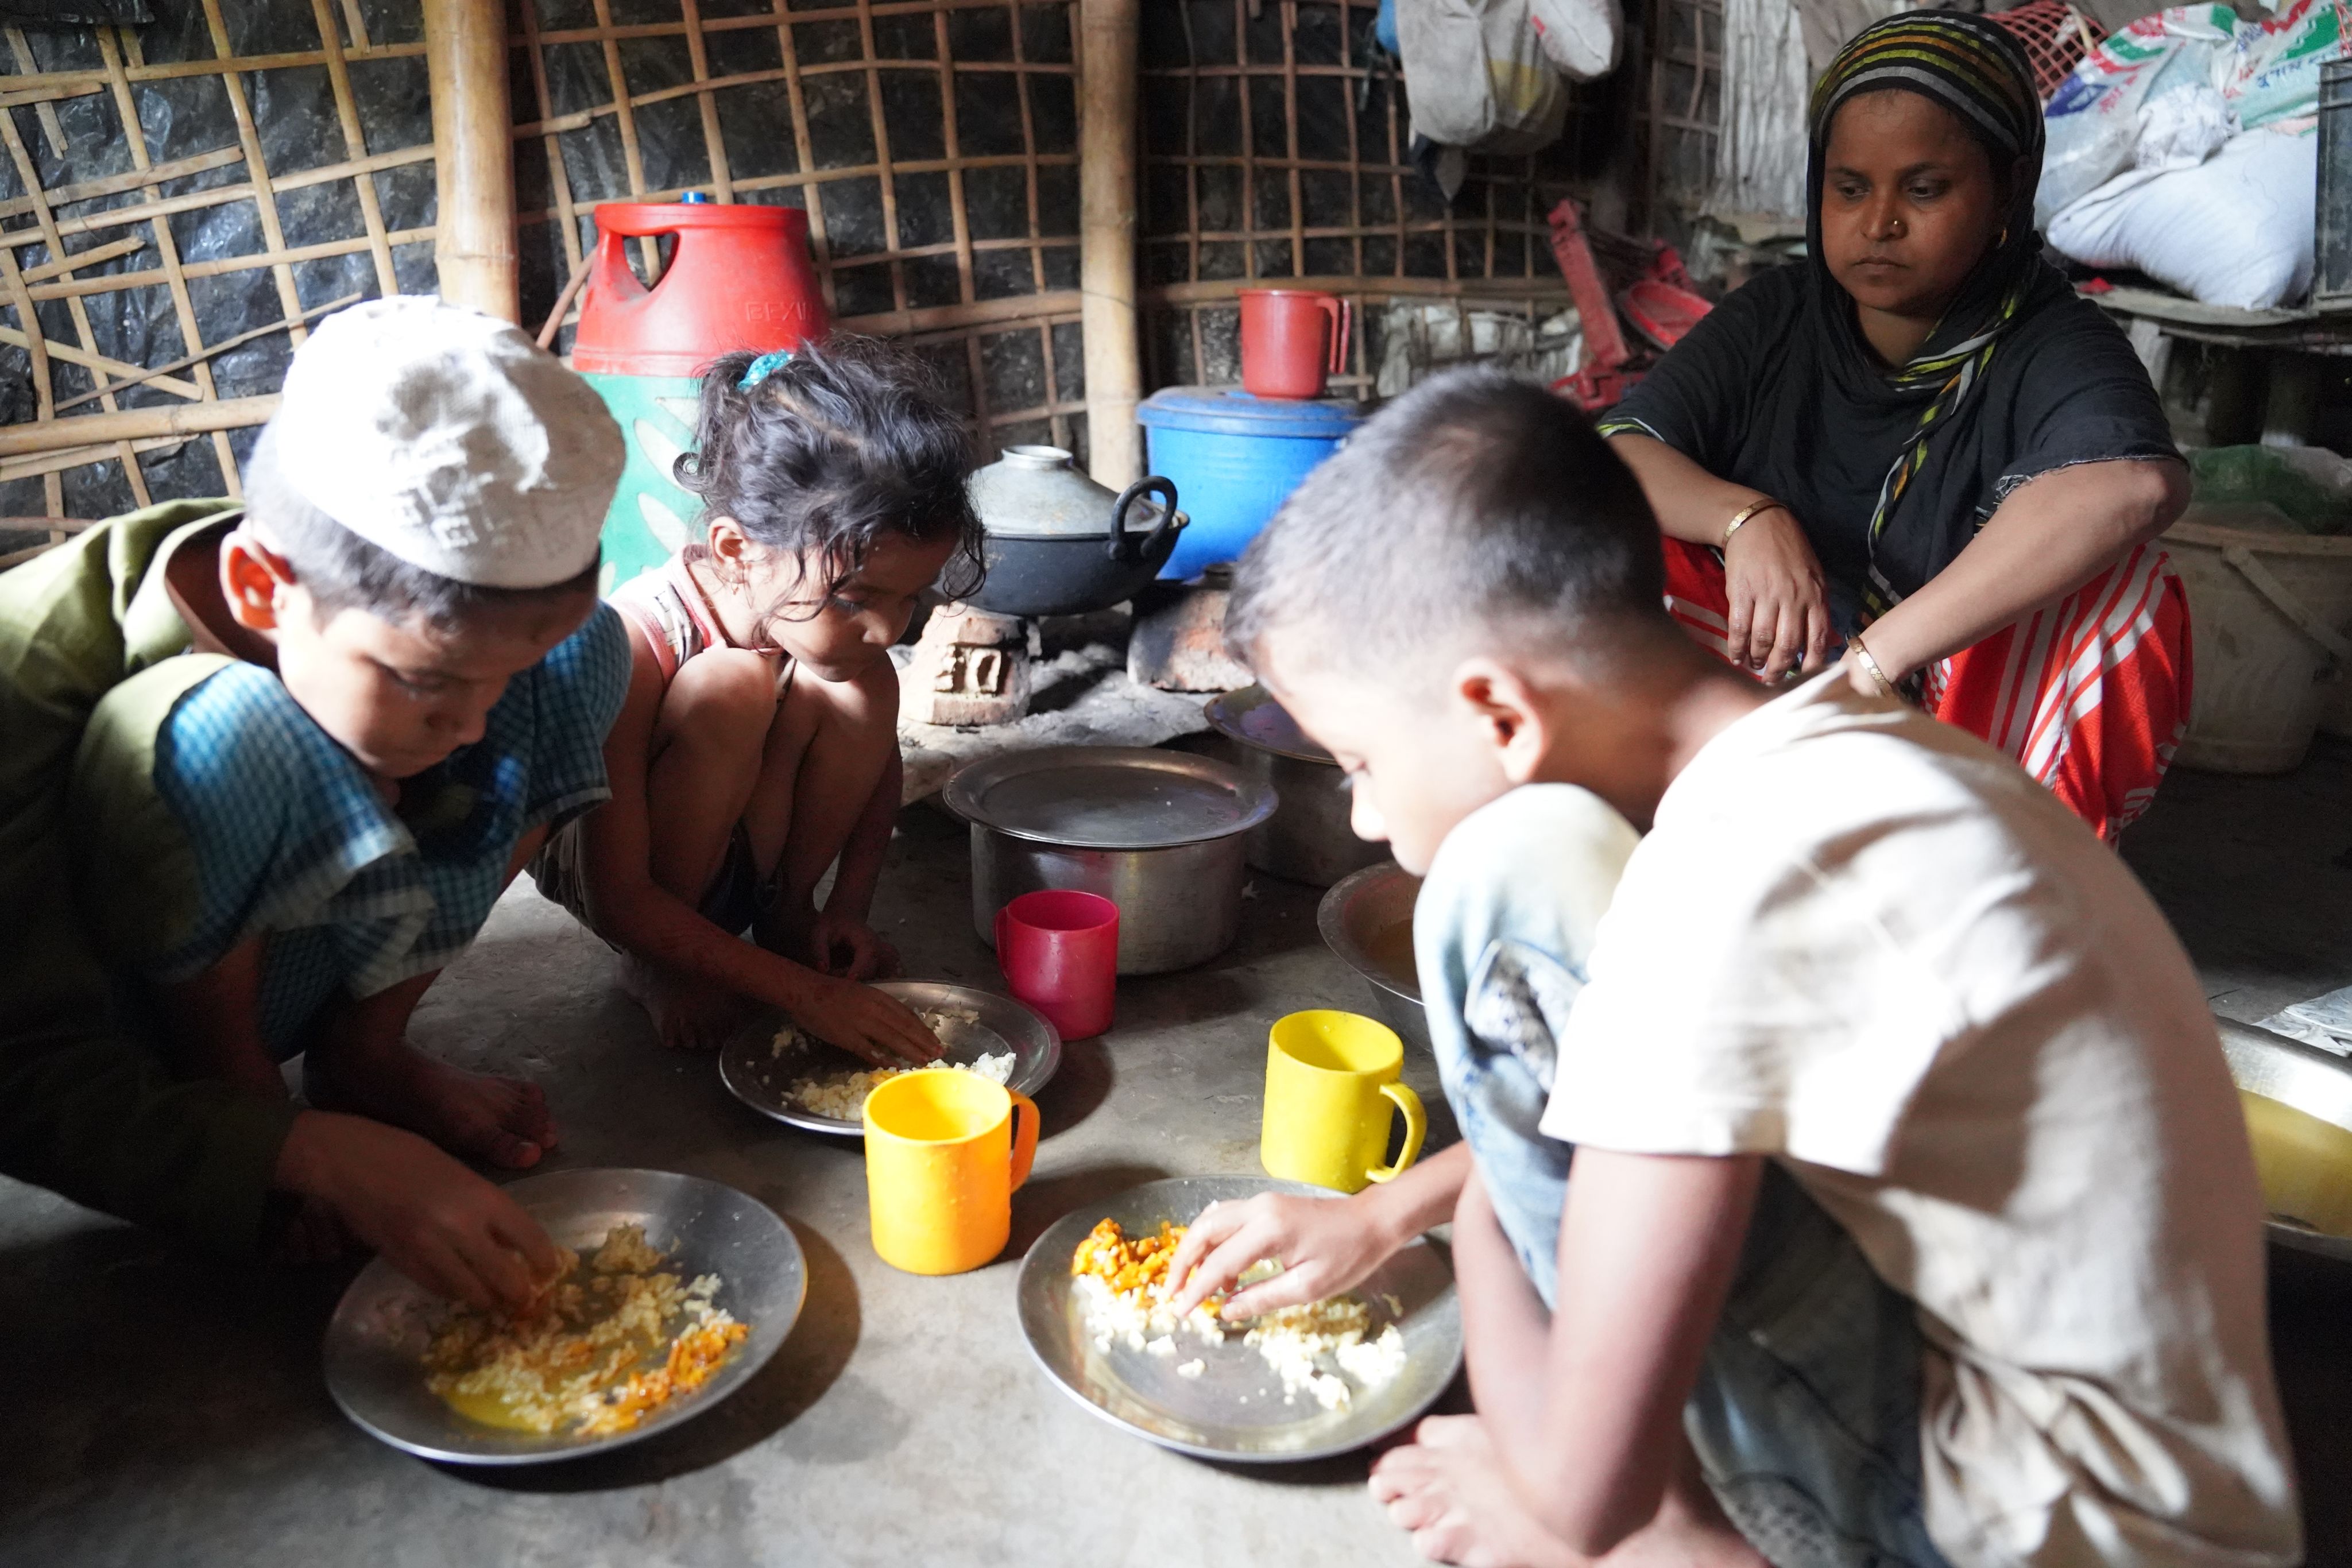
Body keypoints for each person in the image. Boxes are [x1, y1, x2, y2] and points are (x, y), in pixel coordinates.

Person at [1170, 367, 2299, 1567]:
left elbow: (1578, 1491)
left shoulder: (1715, 894)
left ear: (1498, 715)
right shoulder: (1841, 753)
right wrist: (1389, 1212)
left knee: (1499, 878)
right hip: (2170, 1488)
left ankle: (1697, 1547)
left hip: (2038, 1532)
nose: (1357, 817)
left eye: (1356, 760)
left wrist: (1503, 1230)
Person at [3, 297, 630, 1312]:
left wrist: (445, 705)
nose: (471, 730)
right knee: (231, 729)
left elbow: (485, 695)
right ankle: (238, 1099)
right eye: (428, 684)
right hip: (116, 1034)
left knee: (586, 651)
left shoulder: (357, 625)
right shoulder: (19, 675)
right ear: (261, 587)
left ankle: (364, 1056)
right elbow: (19, 1073)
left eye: (486, 686)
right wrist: (306, 1153)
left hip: (304, 955)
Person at [1600, 13, 2189, 841]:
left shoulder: (2053, 339)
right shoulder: (1778, 316)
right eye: (1850, 187)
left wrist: (1880, 658)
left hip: (1962, 738)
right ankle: (1661, 837)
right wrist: (1746, 518)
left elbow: (2134, 483)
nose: (1879, 223)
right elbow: (1619, 455)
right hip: (1769, 690)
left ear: (2008, 192)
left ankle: (2019, 898)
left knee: (2129, 598)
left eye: (1924, 188)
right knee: (1599, 536)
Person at [531, 336, 980, 1059]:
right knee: (730, 687)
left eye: (909, 600)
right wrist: (808, 997)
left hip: (738, 846)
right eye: (857, 598)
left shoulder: (836, 633)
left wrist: (846, 908)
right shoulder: (634, 642)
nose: (886, 627)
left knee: (866, 686)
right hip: (622, 877)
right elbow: (618, 892)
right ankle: (660, 965)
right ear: (737, 550)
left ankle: (787, 918)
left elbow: (879, 768)